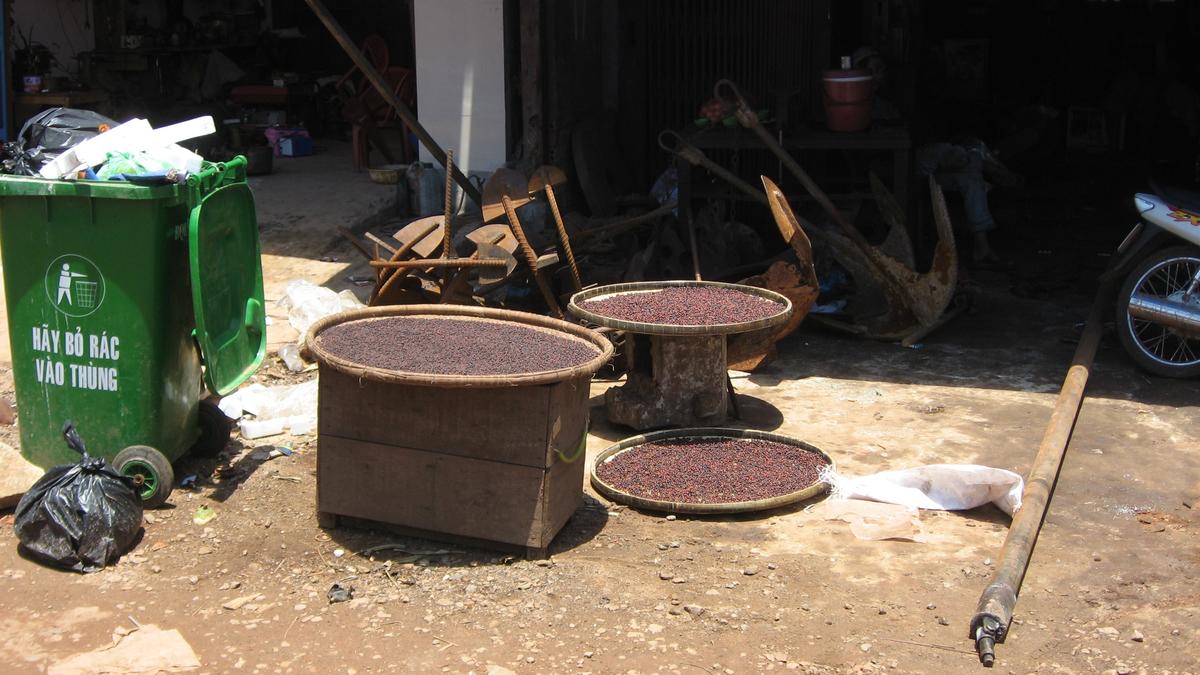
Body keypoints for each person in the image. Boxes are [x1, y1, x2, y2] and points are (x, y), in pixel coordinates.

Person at [916, 139, 1017, 267]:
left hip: (959, 163)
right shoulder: (935, 153)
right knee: (972, 174)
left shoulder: (969, 157)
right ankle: (982, 249)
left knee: (973, 171)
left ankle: (982, 248)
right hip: (931, 171)